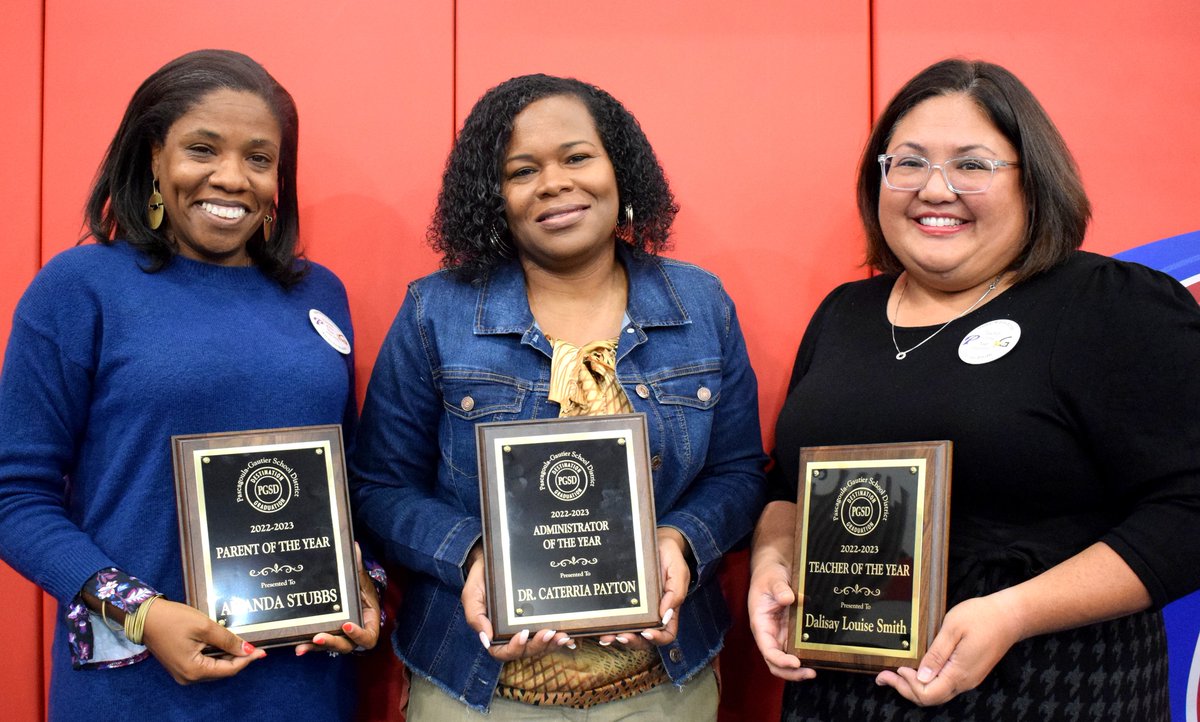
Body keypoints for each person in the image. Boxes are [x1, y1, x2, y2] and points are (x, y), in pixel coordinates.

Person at [749, 58, 1200, 721]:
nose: (936, 188)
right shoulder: (845, 315)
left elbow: (1190, 507)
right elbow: (788, 485)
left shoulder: (1110, 306)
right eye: (907, 163)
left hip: (1049, 687)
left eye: (972, 164)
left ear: (1032, 182)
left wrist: (1014, 613)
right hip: (839, 696)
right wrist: (772, 561)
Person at [350, 74, 766, 718]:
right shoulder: (436, 312)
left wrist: (679, 541)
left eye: (577, 157)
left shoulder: (700, 304)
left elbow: (740, 475)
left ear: (619, 169)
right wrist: (473, 554)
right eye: (522, 171)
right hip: (477, 688)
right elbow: (378, 486)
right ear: (495, 197)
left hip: (662, 688)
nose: (554, 183)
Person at [0, 49, 380, 720]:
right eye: (202, 149)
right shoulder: (78, 289)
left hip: (304, 688)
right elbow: (14, 497)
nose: (232, 179)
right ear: (152, 155)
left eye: (259, 159)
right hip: (137, 689)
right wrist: (139, 613)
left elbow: (345, 481)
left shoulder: (320, 294)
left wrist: (366, 585)